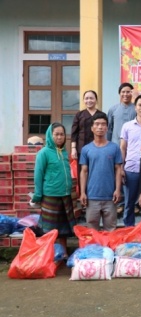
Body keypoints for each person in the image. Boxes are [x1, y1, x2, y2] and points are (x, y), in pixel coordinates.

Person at [31, 123, 75, 257]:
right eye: (56, 134)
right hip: (51, 195)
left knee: (64, 228)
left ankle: (63, 254)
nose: (59, 137)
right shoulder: (43, 153)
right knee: (50, 230)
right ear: (50, 135)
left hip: (65, 195)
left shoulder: (64, 152)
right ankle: (49, 255)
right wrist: (37, 195)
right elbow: (38, 175)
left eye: (62, 134)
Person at [79, 112, 122, 232]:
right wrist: (83, 192)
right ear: (92, 128)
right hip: (92, 196)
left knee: (111, 230)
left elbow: (118, 169)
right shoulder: (86, 149)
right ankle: (95, 251)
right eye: (97, 124)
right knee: (92, 231)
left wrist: (118, 190)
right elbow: (84, 171)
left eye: (103, 124)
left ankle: (109, 250)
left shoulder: (114, 148)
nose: (100, 127)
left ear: (107, 128)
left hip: (110, 197)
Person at [120, 94, 141, 227]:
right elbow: (123, 148)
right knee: (129, 203)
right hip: (131, 170)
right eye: (140, 105)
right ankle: (128, 229)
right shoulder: (127, 126)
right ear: (135, 107)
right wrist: (121, 168)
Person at [70, 90, 101, 164]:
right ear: (83, 100)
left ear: (96, 100)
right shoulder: (79, 115)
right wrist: (73, 148)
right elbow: (74, 133)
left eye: (91, 98)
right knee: (82, 171)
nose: (89, 100)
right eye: (86, 98)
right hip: (81, 148)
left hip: (98, 148)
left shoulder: (101, 115)